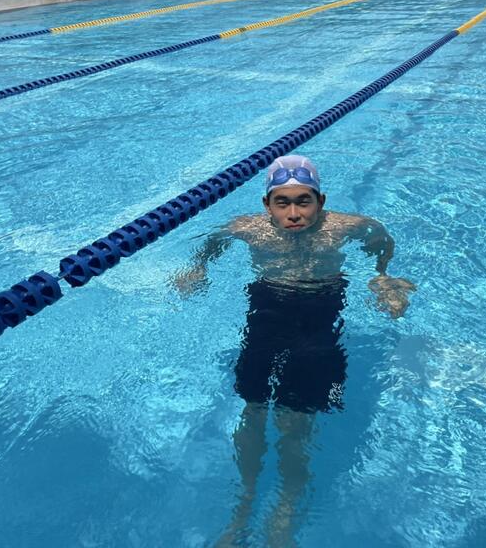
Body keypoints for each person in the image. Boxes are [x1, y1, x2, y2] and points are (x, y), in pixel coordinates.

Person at [175, 155, 415, 545]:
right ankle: (244, 504)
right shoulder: (247, 229)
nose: (294, 214)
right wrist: (198, 268)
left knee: (296, 419)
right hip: (267, 313)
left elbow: (380, 237)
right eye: (282, 203)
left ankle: (286, 505)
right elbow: (212, 242)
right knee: (253, 409)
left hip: (319, 316)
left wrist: (383, 276)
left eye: (304, 201)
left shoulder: (345, 227)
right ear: (266, 204)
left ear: (320, 200)